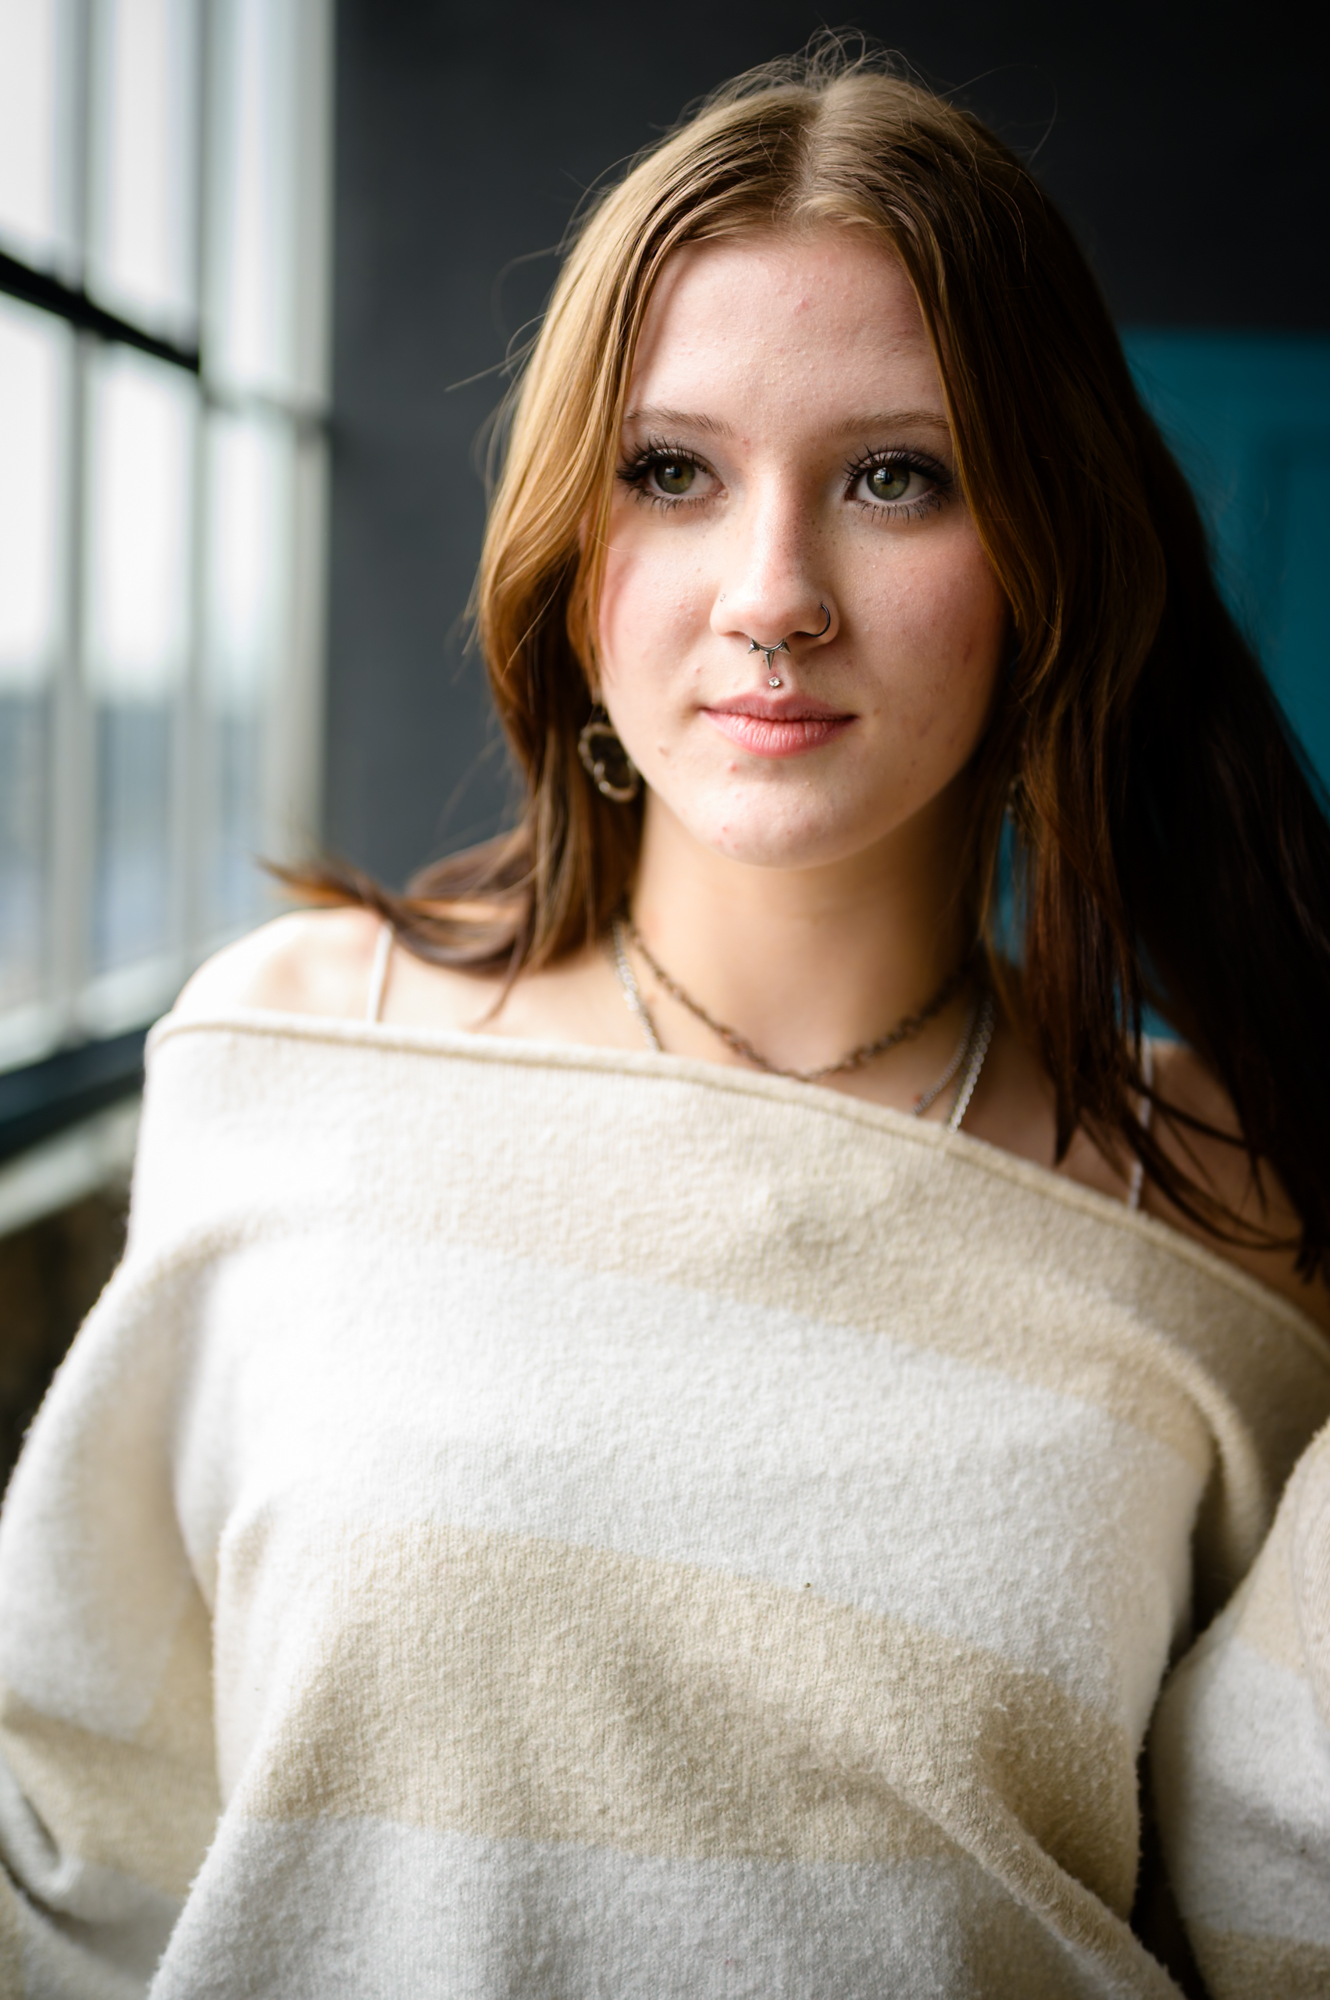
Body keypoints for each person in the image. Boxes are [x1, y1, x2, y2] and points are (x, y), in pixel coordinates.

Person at [2, 41, 1329, 2000]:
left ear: (1042, 560)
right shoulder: (296, 1051)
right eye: (671, 473)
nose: (770, 592)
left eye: (897, 476)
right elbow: (75, 1849)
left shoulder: (1225, 1194)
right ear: (570, 542)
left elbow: (1270, 1915)